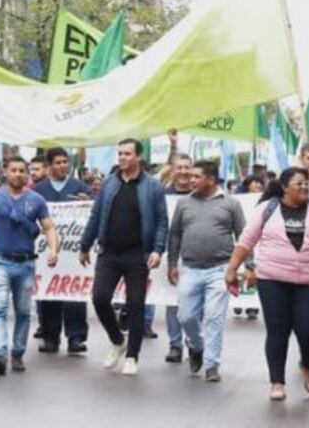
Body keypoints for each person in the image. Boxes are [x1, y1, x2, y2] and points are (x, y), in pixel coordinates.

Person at [80, 139, 168, 376]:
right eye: (119, 153)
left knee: (136, 305)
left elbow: (161, 221)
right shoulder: (109, 183)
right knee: (99, 298)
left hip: (138, 254)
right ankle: (118, 340)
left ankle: (132, 356)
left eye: (127, 154)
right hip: (109, 252)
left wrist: (158, 250)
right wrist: (84, 245)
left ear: (138, 157)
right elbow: (96, 215)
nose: (121, 158)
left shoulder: (152, 187)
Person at [226, 167, 309, 401]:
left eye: (306, 183)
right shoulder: (267, 209)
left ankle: (308, 366)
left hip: (308, 282)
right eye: (299, 183)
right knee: (278, 331)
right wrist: (233, 269)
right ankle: (277, 382)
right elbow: (246, 240)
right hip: (272, 280)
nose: (304, 187)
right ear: (284, 187)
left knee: (307, 330)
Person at [0, 156, 59, 375]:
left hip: (26, 263)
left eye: (23, 170)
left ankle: (18, 353)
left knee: (23, 312)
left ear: (27, 173)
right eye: (14, 170)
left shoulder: (36, 200)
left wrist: (53, 250)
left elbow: (49, 227)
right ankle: (0, 354)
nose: (18, 174)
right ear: (5, 172)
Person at [167, 161, 246, 383]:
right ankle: (196, 346)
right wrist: (172, 263)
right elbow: (174, 235)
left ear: (211, 180)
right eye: (190, 176)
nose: (190, 180)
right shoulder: (183, 203)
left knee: (214, 317)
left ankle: (212, 365)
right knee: (185, 316)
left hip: (220, 269)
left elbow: (244, 236)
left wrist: (248, 265)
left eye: (195, 177)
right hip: (190, 269)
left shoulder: (231, 204)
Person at [32, 147, 91, 355]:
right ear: (48, 166)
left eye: (65, 162)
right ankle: (50, 336)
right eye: (57, 162)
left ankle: (76, 338)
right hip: (47, 250)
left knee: (74, 293)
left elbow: (92, 215)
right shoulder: (38, 190)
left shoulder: (81, 187)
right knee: (48, 293)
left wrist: (87, 204)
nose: (62, 166)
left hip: (73, 252)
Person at [155, 152, 194, 362]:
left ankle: (193, 342)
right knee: (172, 301)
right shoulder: (163, 195)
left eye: (187, 167)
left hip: (197, 256)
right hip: (171, 256)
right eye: (179, 168)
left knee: (196, 304)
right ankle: (175, 344)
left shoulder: (201, 194)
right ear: (173, 170)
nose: (183, 172)